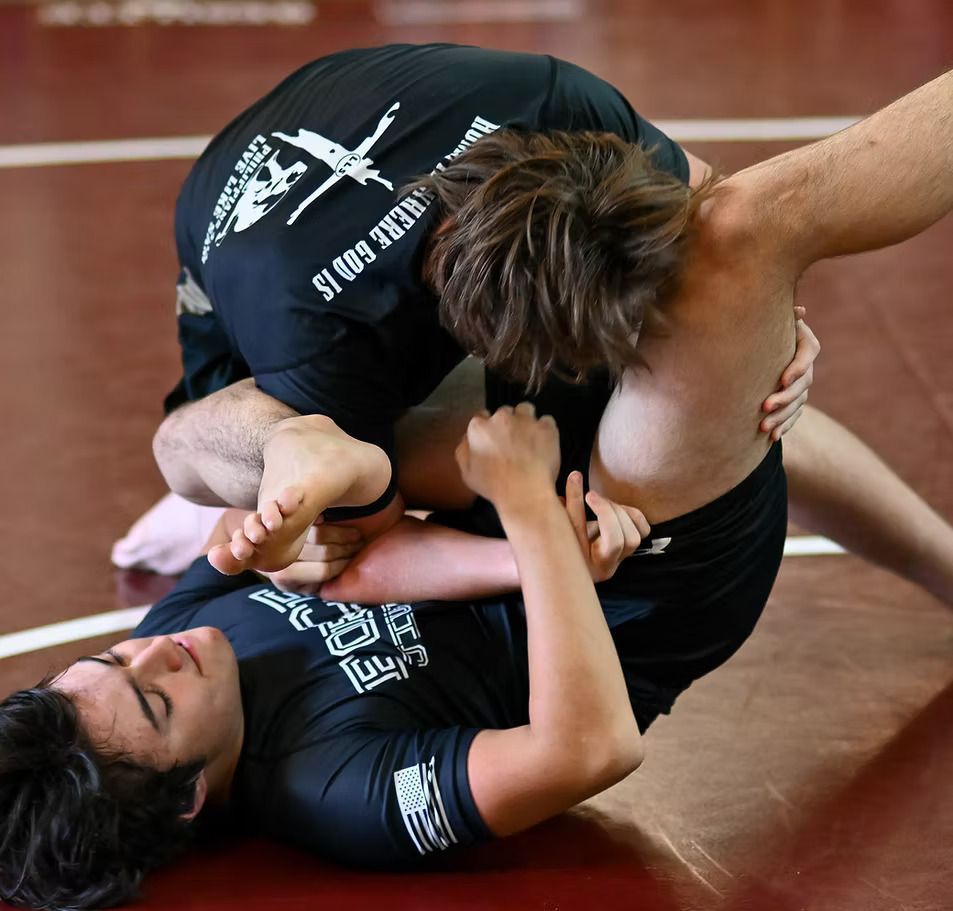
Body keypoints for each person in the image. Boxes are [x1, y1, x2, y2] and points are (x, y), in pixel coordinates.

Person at [147, 43, 816, 573]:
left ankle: (930, 557)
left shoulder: (557, 102)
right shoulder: (321, 335)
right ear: (470, 332)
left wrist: (770, 323)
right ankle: (223, 500)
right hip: (248, 260)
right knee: (249, 478)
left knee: (737, 399)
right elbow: (367, 550)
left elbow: (716, 208)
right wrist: (542, 555)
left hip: (357, 115)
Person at [2, 405, 655, 911]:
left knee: (187, 442)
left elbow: (237, 535)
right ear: (186, 795)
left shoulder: (174, 637)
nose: (152, 652)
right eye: (155, 699)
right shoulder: (335, 789)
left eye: (114, 657)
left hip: (522, 526)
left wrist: (284, 535)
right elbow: (590, 748)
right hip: (636, 586)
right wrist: (534, 522)